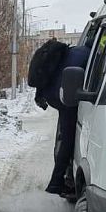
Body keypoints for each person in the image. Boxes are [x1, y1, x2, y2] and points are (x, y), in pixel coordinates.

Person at [42, 43, 92, 197]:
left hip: (55, 93)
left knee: (65, 134)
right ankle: (56, 184)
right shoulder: (92, 54)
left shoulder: (76, 51)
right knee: (68, 138)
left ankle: (61, 178)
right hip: (64, 97)